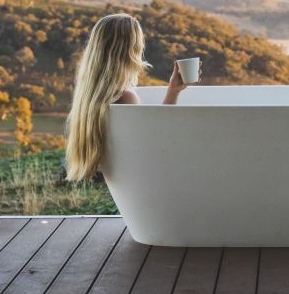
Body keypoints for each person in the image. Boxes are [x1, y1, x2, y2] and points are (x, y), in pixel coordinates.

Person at [65, 13, 201, 181]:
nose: (142, 47)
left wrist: (173, 91)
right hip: (143, 180)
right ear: (130, 49)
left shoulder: (92, 94)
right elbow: (157, 143)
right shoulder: (125, 97)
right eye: (140, 43)